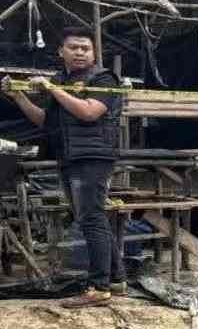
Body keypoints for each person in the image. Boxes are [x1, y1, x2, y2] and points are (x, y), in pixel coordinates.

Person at [4, 26, 124, 308]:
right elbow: (45, 121)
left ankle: (99, 287)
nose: (80, 52)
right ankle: (116, 278)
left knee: (92, 218)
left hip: (93, 158)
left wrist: (53, 89)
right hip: (69, 158)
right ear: (61, 51)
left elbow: (90, 112)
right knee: (91, 218)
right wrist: (19, 97)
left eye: (86, 48)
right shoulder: (61, 80)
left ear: (94, 53)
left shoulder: (104, 78)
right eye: (74, 47)